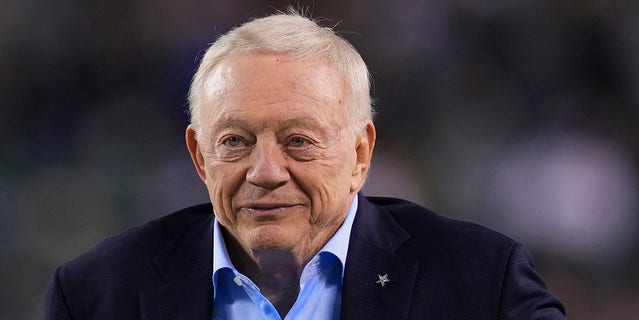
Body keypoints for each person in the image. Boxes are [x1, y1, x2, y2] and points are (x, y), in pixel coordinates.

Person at [42, 11, 566, 320]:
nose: (265, 171)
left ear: (360, 155)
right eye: (235, 141)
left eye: (298, 141)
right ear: (200, 158)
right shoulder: (96, 294)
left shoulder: (480, 281)